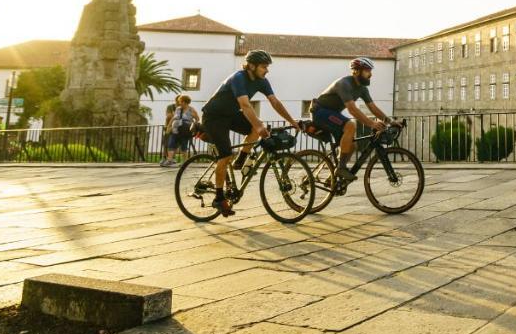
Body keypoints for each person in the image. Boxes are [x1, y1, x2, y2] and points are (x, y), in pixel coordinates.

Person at [201, 50, 299, 217]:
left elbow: (275, 102)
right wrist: (259, 126)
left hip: (231, 114)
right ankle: (219, 198)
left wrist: (292, 121)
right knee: (225, 156)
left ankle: (240, 160)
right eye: (263, 67)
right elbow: (245, 105)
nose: (266, 70)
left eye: (267, 67)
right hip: (214, 117)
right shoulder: (238, 78)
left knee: (255, 128)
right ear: (251, 66)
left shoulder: (262, 81)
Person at [310, 56, 392, 181]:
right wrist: (372, 124)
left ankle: (333, 177)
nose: (370, 74)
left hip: (332, 114)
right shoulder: (344, 84)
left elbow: (373, 107)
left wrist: (390, 121)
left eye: (370, 71)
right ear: (357, 71)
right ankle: (341, 168)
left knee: (352, 146)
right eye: (367, 71)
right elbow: (352, 109)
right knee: (351, 125)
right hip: (319, 111)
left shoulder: (362, 89)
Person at [160, 94, 199, 167]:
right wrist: (169, 126)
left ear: (184, 102)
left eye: (180, 101)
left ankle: (184, 162)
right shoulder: (178, 109)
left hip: (185, 130)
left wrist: (193, 125)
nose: (179, 103)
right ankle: (169, 160)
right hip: (175, 129)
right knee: (171, 144)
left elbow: (197, 119)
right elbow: (174, 118)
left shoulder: (191, 110)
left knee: (184, 145)